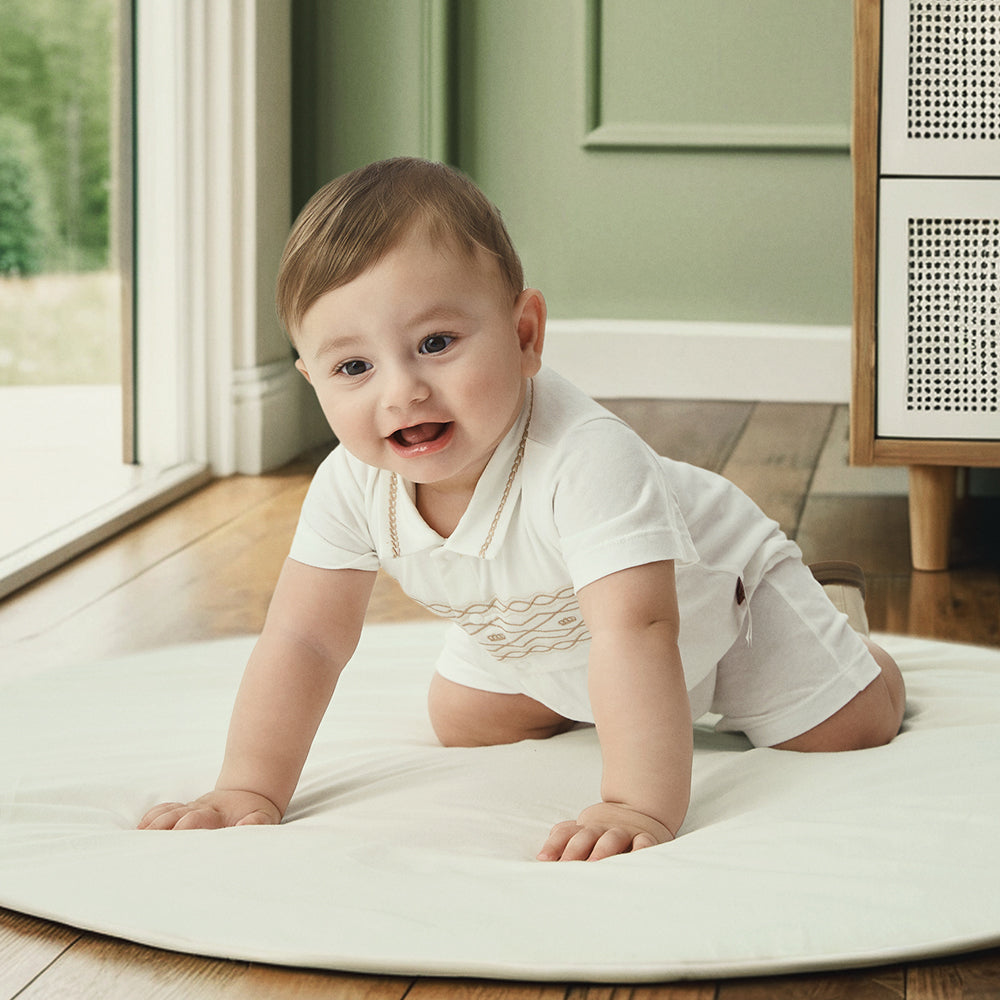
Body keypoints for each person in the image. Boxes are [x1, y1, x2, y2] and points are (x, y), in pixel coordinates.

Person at [138, 157, 905, 861]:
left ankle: (846, 638)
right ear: (313, 380)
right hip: (541, 623)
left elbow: (640, 628)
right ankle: (598, 701)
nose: (401, 390)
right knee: (463, 722)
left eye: (436, 342)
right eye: (354, 366)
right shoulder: (351, 482)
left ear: (524, 333)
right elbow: (304, 640)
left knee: (851, 727)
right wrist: (247, 788)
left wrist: (636, 804)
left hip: (718, 610)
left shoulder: (585, 457)